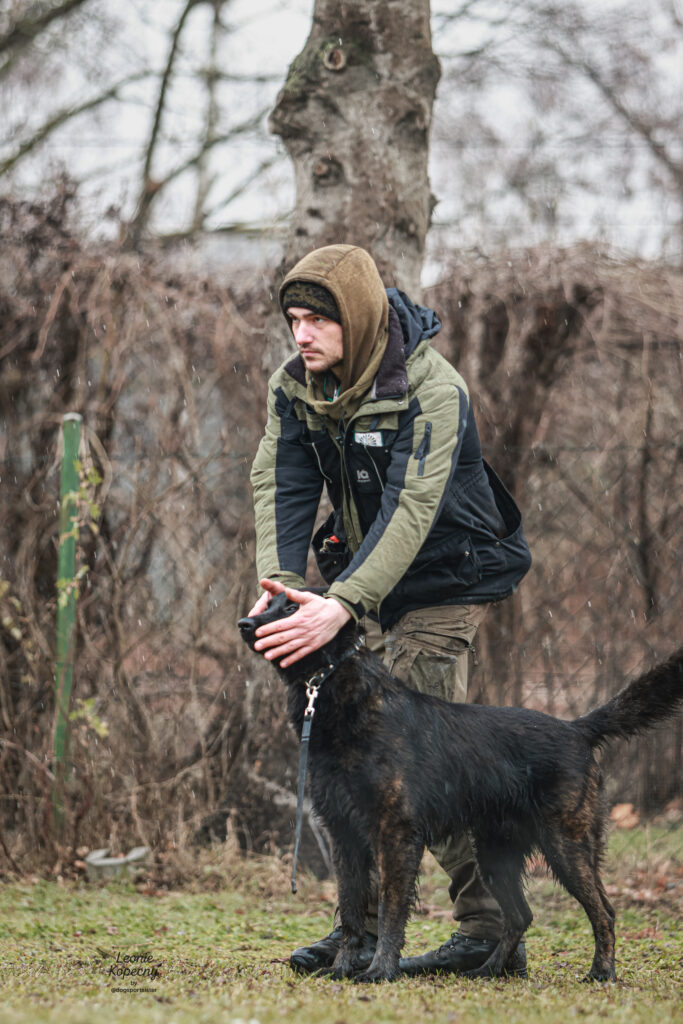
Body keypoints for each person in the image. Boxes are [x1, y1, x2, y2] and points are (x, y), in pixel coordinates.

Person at [247, 243, 532, 977]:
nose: (301, 335)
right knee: (356, 762)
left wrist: (340, 604)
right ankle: (360, 933)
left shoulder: (430, 390)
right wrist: (281, 582)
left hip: (446, 576)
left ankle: (488, 934)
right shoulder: (298, 388)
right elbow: (280, 478)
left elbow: (410, 511)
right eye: (294, 319)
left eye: (318, 320)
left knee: (419, 758)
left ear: (362, 318)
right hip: (364, 581)